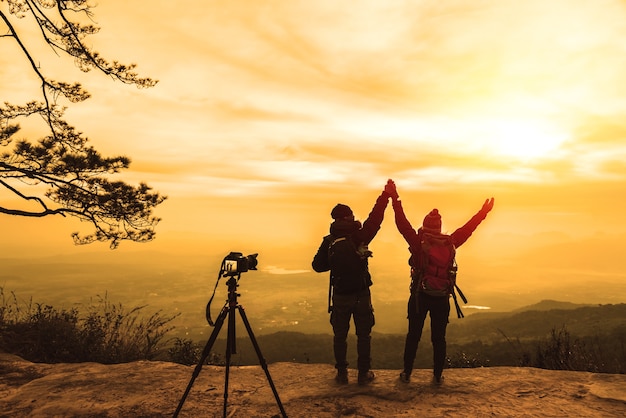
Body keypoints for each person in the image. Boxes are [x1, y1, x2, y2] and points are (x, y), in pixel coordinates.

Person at [386, 180, 494, 385]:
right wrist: (483, 212)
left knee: (414, 335)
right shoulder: (451, 242)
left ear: (425, 226)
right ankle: (437, 376)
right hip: (442, 297)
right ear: (440, 227)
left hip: (420, 296)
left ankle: (407, 373)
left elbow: (402, 224)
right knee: (439, 338)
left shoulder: (419, 243)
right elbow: (468, 228)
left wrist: (395, 198)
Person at [311, 182, 393, 385]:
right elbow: (375, 219)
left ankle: (342, 374)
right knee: (363, 335)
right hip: (361, 293)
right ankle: (363, 374)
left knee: (340, 336)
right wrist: (385, 197)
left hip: (340, 295)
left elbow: (317, 266)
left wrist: (337, 262)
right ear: (349, 217)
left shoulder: (329, 240)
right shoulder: (359, 236)